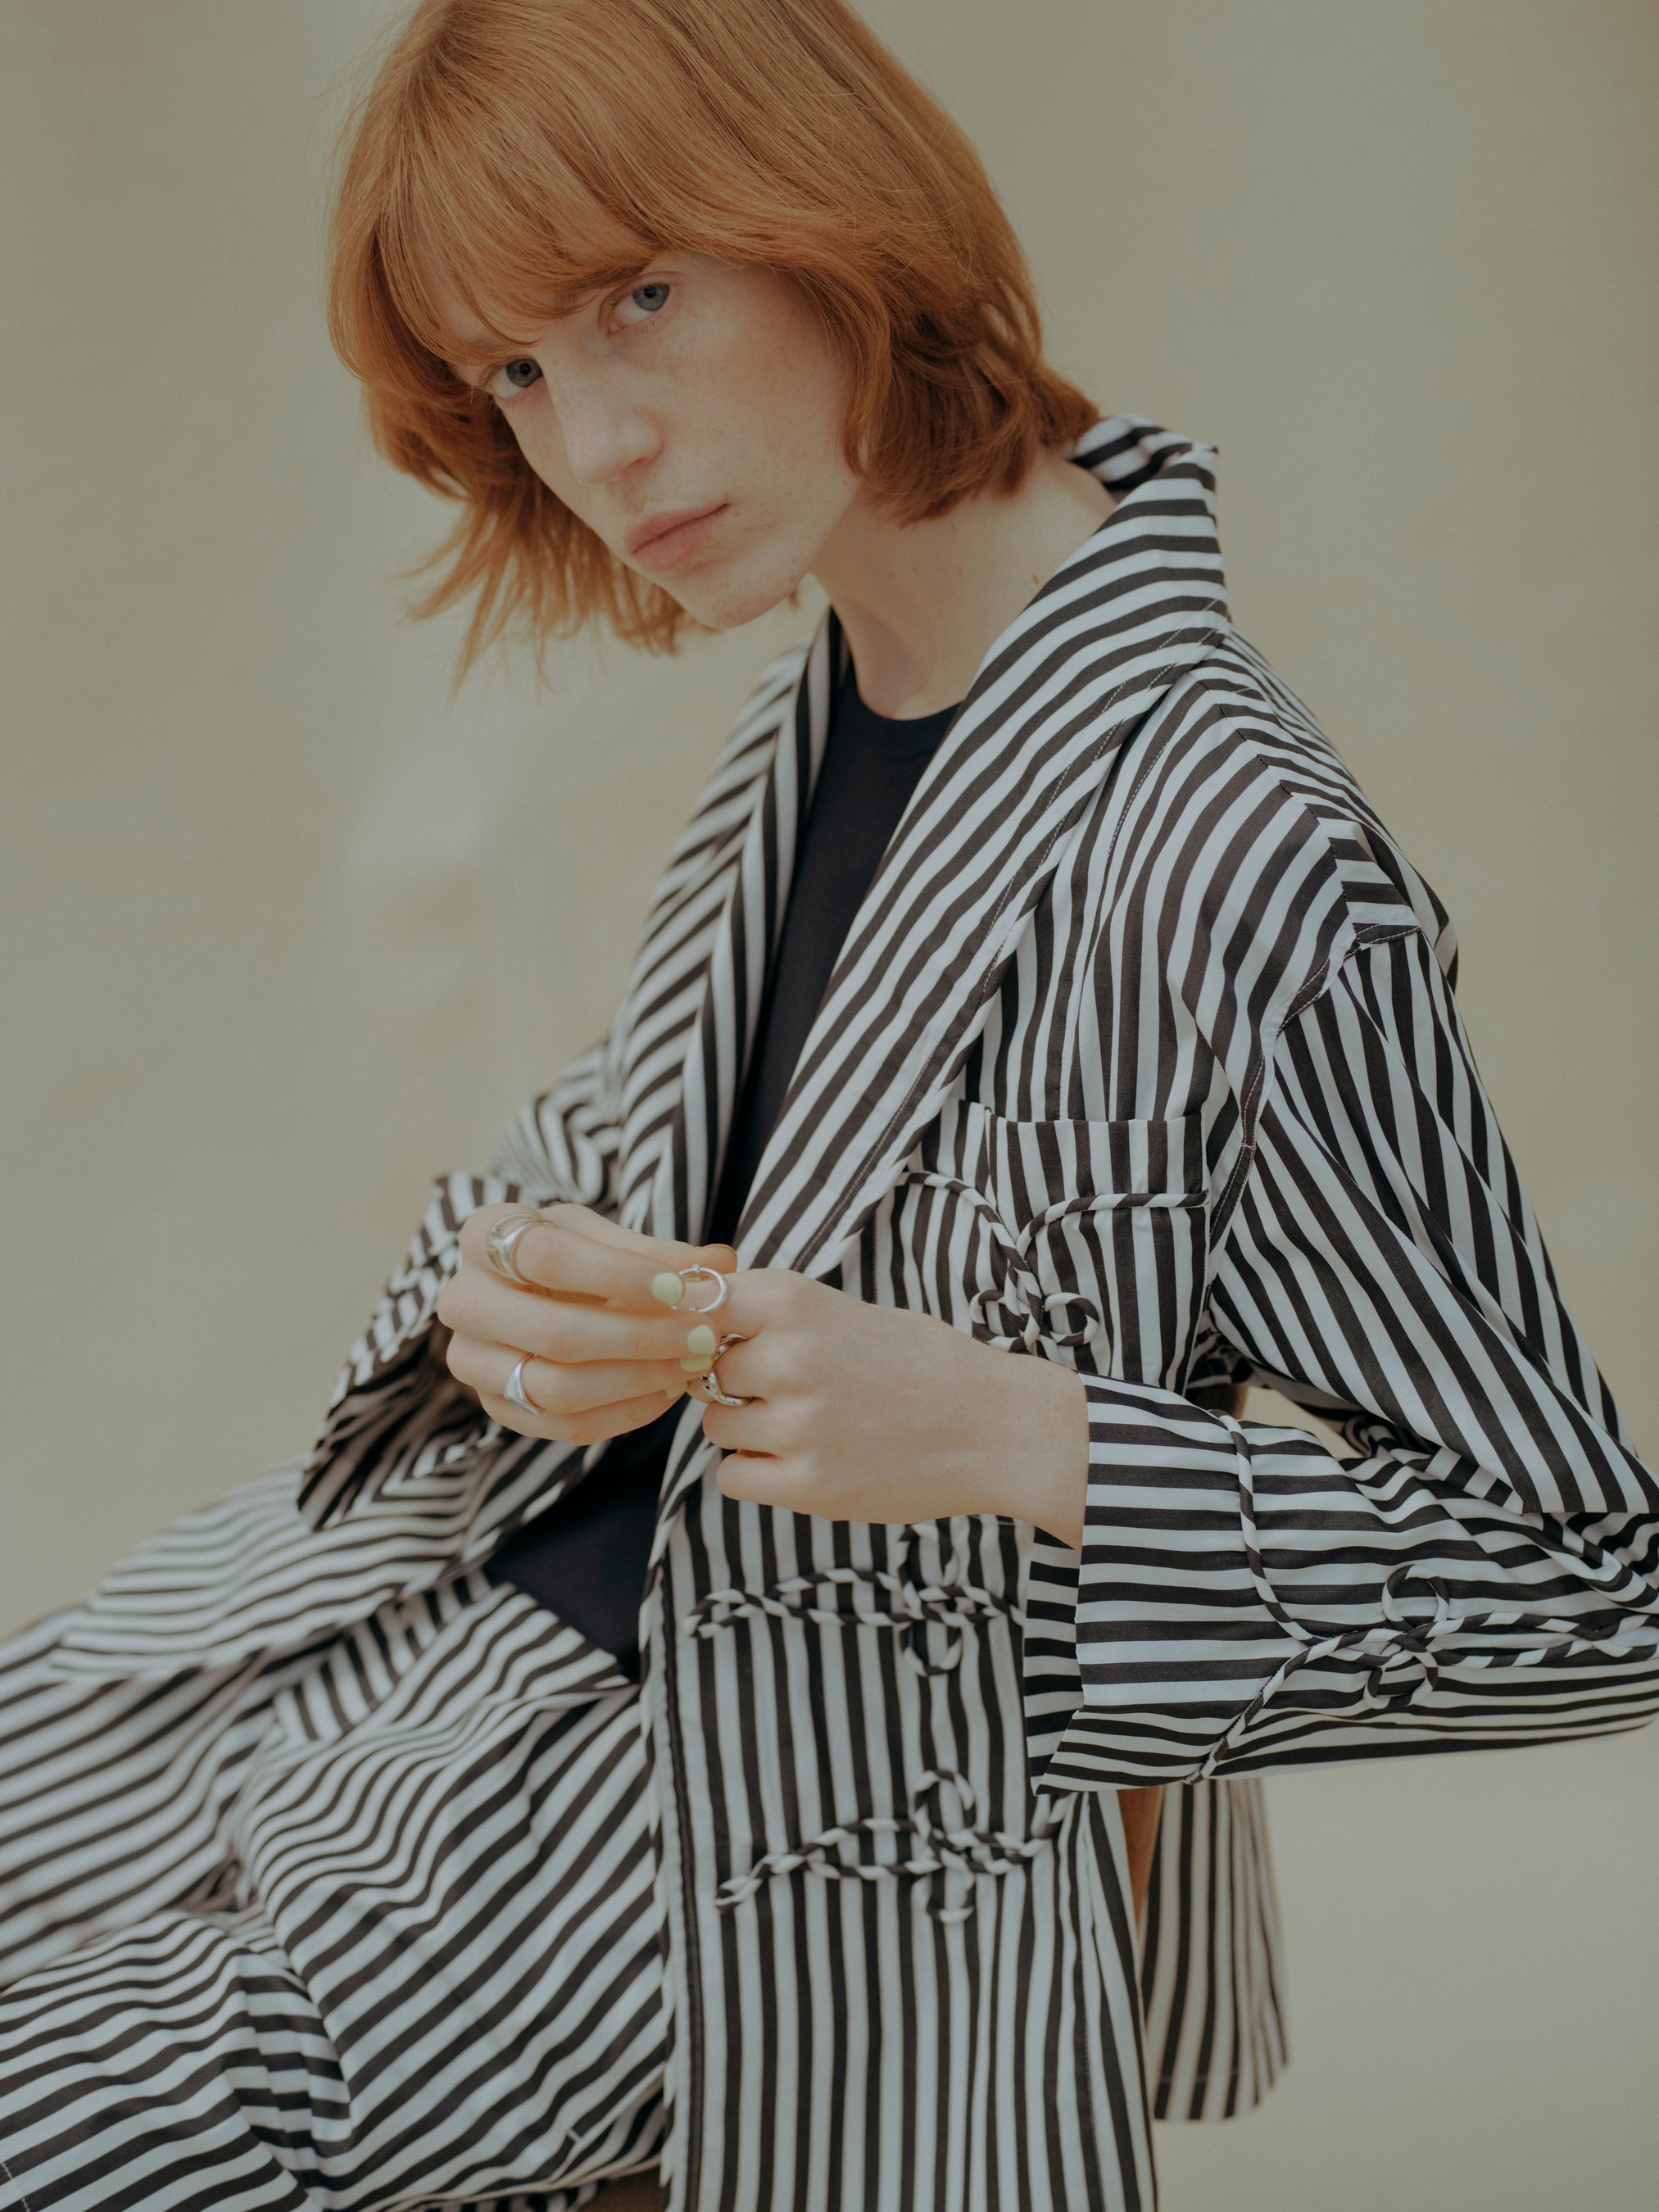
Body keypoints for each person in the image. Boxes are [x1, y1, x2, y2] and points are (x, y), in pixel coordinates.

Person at [1, 1, 1655, 2206]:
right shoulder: (833, 704)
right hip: (379, 1630)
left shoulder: (1237, 850)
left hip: (703, 1842)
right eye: (513, 373)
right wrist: (510, 1296)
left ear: (831, 217)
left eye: (638, 298)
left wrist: (1027, 1433)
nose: (594, 441)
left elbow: (1580, 1579)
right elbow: (636, 1159)